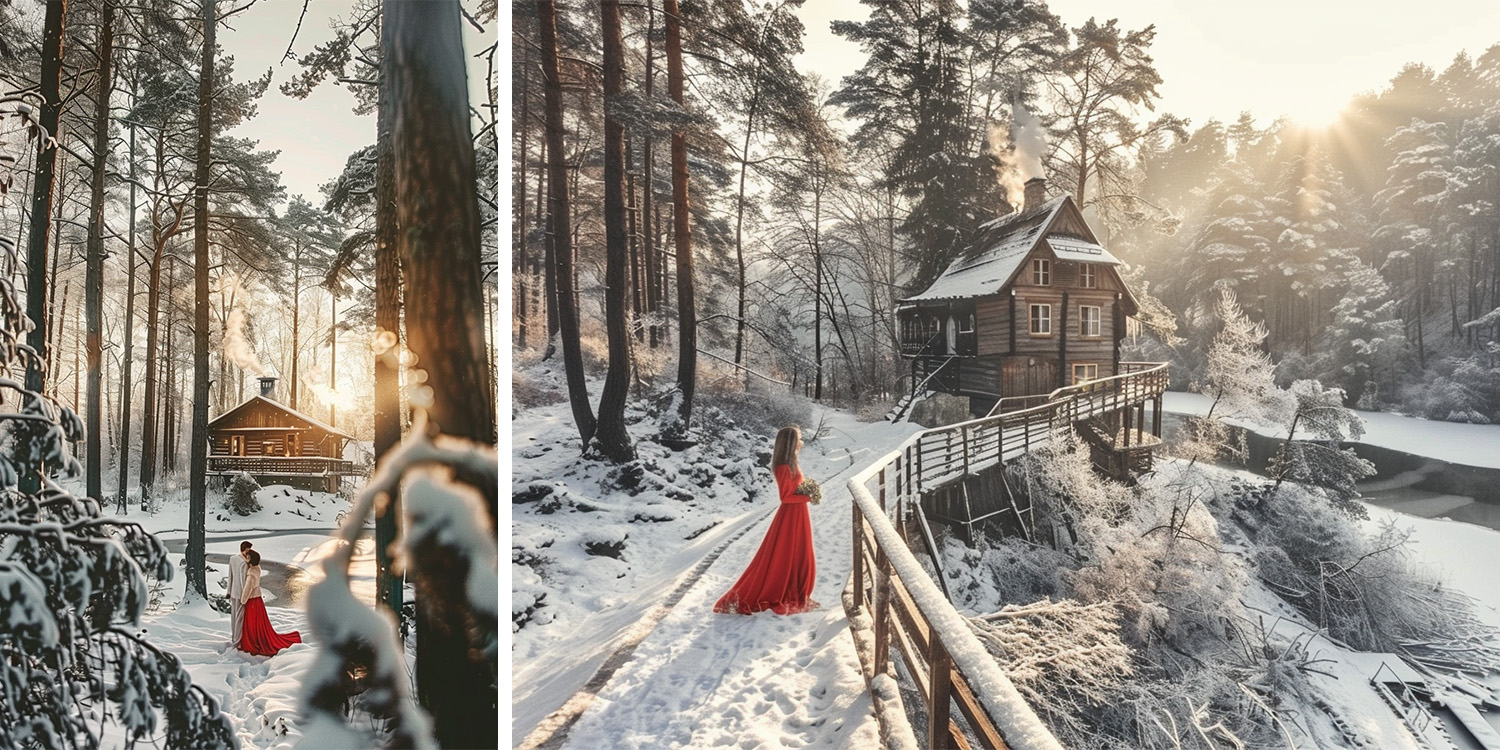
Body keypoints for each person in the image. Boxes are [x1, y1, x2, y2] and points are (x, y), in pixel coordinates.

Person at [714, 425, 818, 615]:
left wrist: (806, 492)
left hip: (799, 514)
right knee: (784, 556)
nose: (800, 443)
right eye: (798, 439)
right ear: (789, 443)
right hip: (790, 516)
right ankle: (775, 589)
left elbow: (794, 490)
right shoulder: (783, 467)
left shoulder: (792, 464)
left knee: (800, 552)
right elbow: (785, 497)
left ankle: (795, 587)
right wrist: (808, 497)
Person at [239, 549, 303, 655]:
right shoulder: (257, 569)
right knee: (259, 625)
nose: (245, 558)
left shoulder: (251, 574)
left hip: (252, 601)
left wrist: (242, 601)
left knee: (252, 624)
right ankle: (257, 639)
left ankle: (252, 642)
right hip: (258, 600)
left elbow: (247, 589)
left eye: (247, 557)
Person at [228, 541, 251, 648]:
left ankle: (235, 637)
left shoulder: (233, 559)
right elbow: (244, 580)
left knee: (234, 617)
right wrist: (246, 595)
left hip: (233, 592)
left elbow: (230, 576)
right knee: (240, 618)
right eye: (249, 549)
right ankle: (238, 640)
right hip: (241, 593)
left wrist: (228, 591)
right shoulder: (244, 562)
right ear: (246, 549)